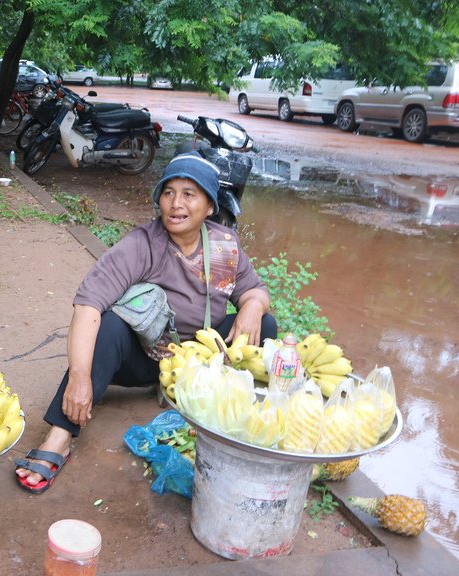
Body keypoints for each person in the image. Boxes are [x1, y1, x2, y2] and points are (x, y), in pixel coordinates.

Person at [14, 152, 277, 493]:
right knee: (108, 325)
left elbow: (255, 290)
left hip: (202, 361)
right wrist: (80, 380)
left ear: (210, 206)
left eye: (189, 194)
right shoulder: (143, 244)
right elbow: (87, 306)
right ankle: (60, 436)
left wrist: (252, 305)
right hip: (144, 360)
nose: (175, 203)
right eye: (168, 192)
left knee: (266, 326)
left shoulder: (224, 246)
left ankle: (230, 416)